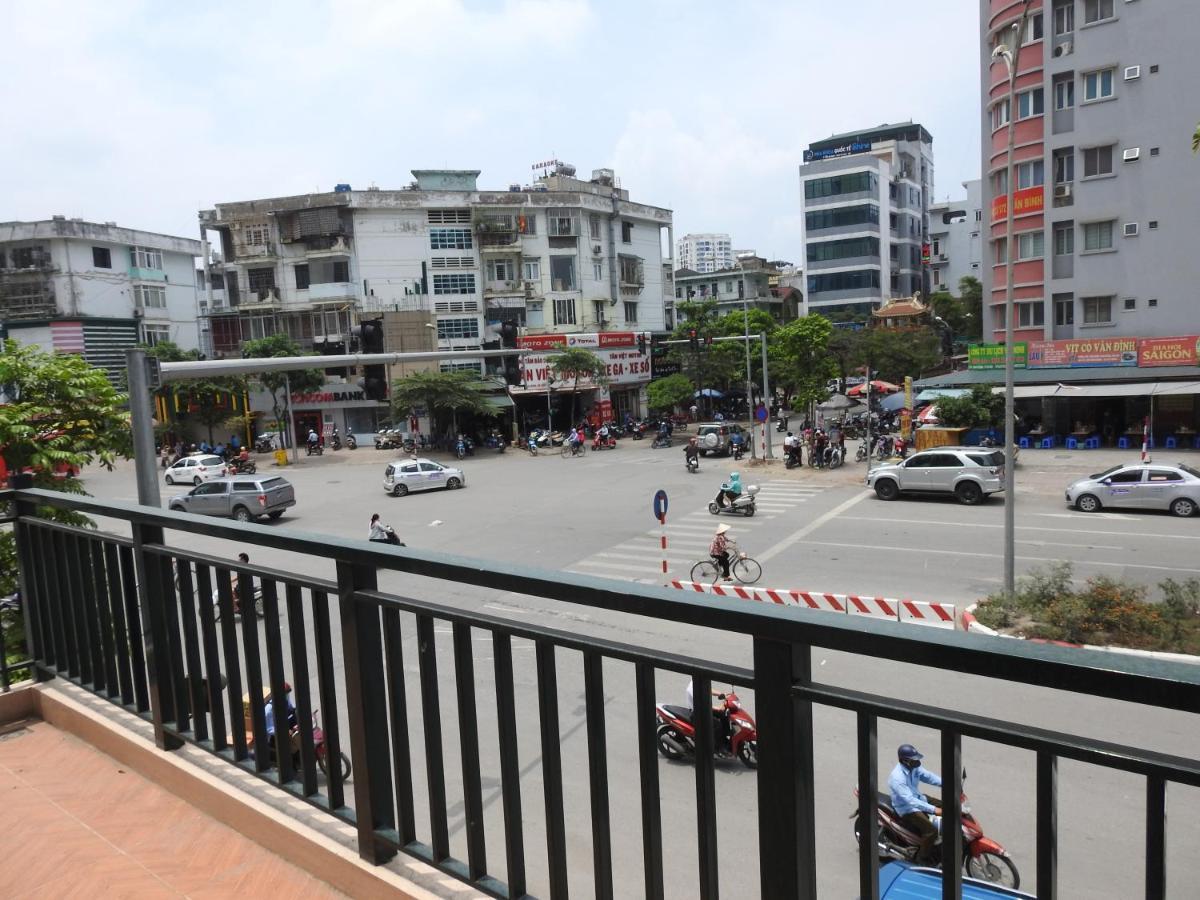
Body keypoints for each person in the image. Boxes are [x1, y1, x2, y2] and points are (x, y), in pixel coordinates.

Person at [888, 743, 943, 864]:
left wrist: (947, 783)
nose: (917, 762)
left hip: (919, 799)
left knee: (947, 806)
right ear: (905, 761)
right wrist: (933, 809)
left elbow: (928, 776)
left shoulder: (914, 767)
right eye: (914, 759)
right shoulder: (897, 778)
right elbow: (910, 801)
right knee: (931, 831)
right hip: (907, 808)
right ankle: (921, 858)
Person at [685, 677, 733, 758]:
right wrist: (717, 708)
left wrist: (722, 694)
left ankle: (723, 739)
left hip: (703, 709)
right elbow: (703, 704)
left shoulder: (699, 682)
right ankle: (719, 748)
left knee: (723, 715)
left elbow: (708, 689)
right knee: (717, 725)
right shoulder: (692, 689)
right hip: (697, 713)